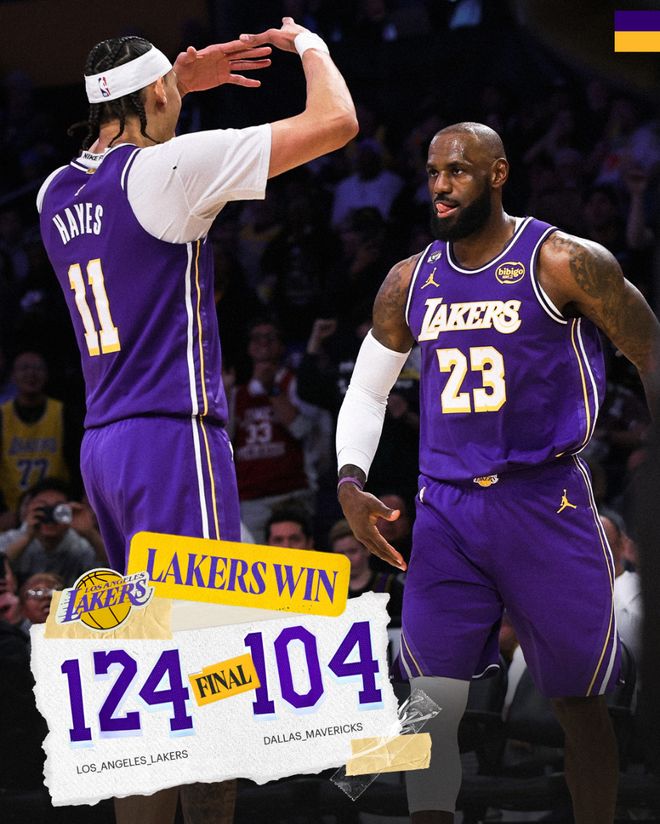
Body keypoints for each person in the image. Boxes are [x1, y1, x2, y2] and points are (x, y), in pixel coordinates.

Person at [36, 18, 357, 824]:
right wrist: (311, 46)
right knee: (215, 691)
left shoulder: (53, 192)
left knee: (153, 693)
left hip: (105, 450)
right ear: (154, 94)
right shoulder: (170, 171)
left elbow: (132, 146)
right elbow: (336, 122)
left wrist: (177, 83)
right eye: (171, 91)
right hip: (174, 441)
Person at [335, 121, 660, 824]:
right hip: (446, 508)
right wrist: (349, 480)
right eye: (433, 173)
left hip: (545, 501)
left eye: (458, 171)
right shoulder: (408, 280)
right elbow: (367, 390)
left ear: (498, 173)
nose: (441, 186)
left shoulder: (563, 261)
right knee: (430, 701)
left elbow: (650, 351)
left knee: (579, 702)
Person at [0, 351, 72, 529]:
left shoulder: (64, 413)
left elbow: (76, 464)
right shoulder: (2, 416)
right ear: (13, 376)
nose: (31, 374)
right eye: (24, 368)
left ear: (47, 375)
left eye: (37, 368)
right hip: (10, 515)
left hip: (58, 513)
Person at [2, 477, 97, 588]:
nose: (50, 514)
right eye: (42, 507)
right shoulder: (11, 539)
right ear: (27, 509)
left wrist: (90, 533)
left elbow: (107, 570)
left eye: (58, 508)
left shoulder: (78, 544)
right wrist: (27, 537)